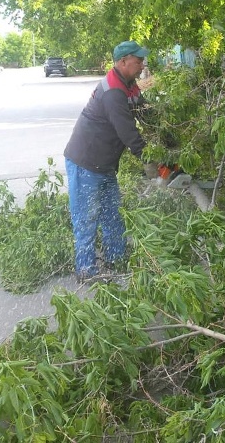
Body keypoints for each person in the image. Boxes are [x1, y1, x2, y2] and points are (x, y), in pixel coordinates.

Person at [64, 41, 153, 283]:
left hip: (104, 164)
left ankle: (116, 258)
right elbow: (128, 133)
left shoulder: (129, 85)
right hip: (85, 162)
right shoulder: (114, 92)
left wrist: (168, 140)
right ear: (123, 62)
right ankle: (85, 271)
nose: (142, 65)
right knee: (86, 219)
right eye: (138, 60)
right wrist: (151, 161)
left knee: (113, 214)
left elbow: (145, 113)